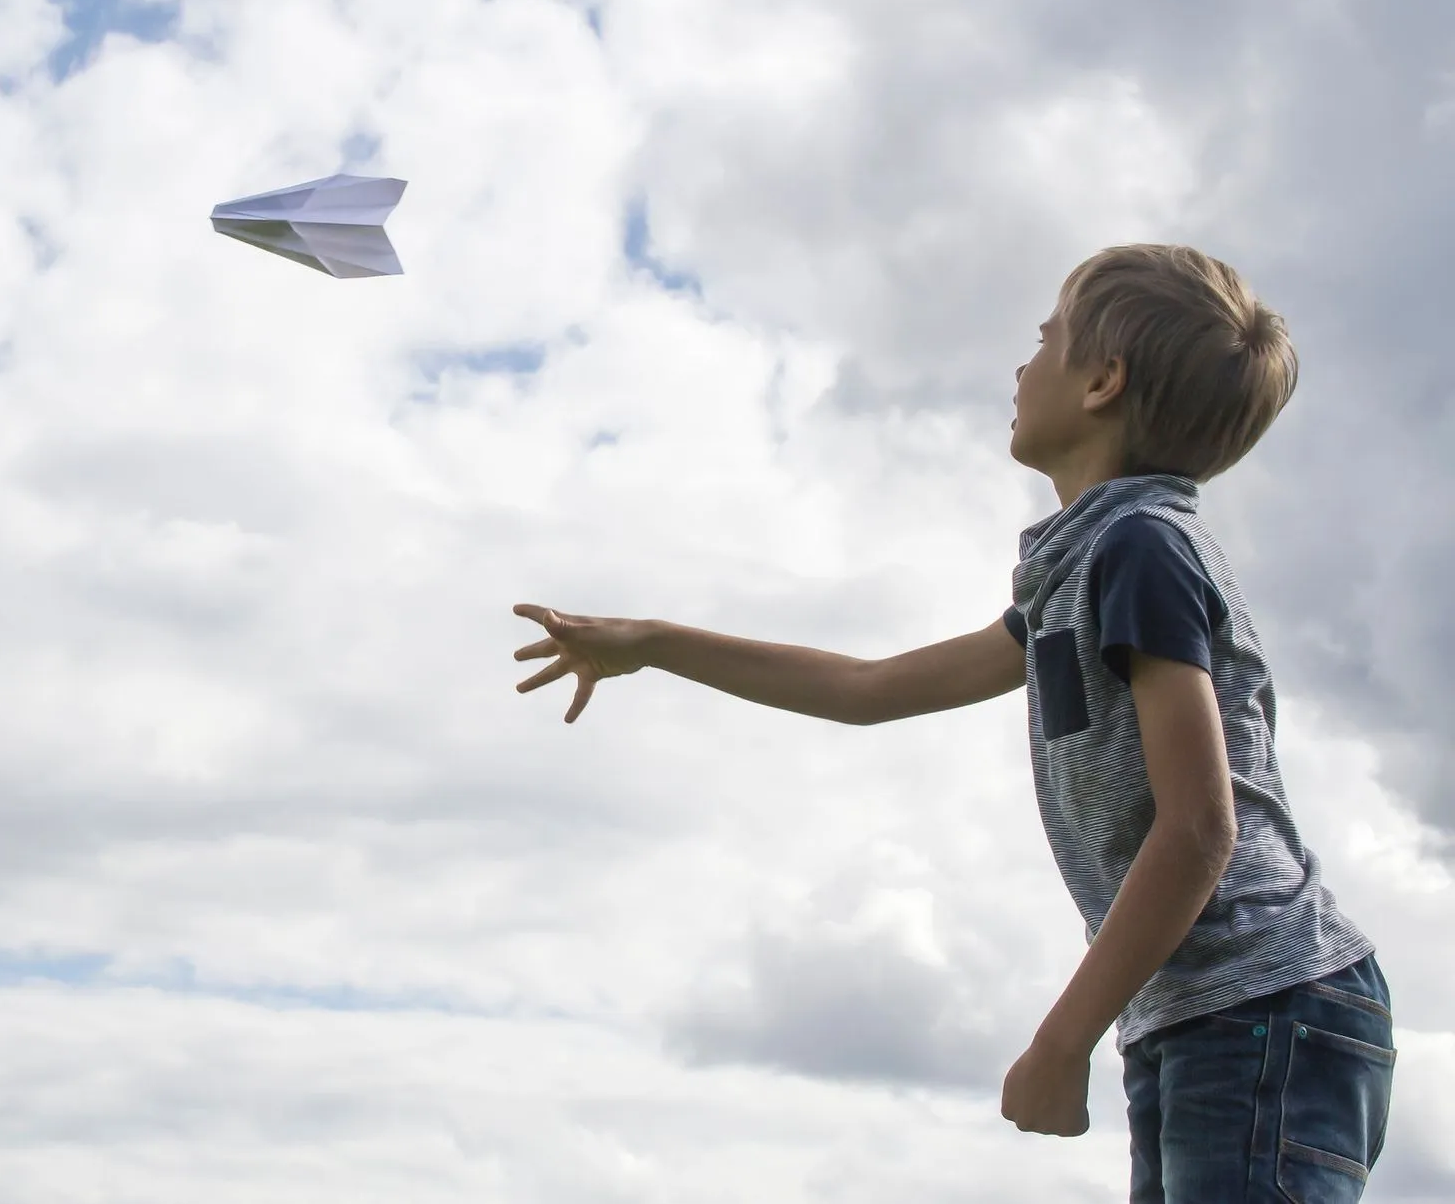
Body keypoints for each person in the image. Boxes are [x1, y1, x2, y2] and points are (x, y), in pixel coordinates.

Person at [512, 244, 1395, 1202]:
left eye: (1047, 340)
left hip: (1266, 1006)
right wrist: (652, 640)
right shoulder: (1084, 567)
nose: (1023, 366)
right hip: (1210, 1012)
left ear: (1103, 381)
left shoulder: (1144, 548)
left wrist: (1062, 1040)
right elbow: (866, 686)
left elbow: (1198, 827)